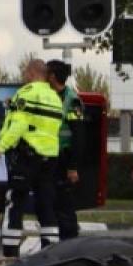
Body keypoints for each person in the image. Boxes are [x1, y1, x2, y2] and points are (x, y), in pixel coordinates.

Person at [0, 58, 63, 257]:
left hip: (27, 155)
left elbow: (18, 125)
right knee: (46, 204)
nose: (23, 76)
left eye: (24, 72)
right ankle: (50, 251)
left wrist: (0, 148)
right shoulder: (55, 97)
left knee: (15, 201)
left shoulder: (26, 93)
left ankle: (10, 251)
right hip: (50, 157)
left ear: (31, 73)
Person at [47, 60, 86, 241]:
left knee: (64, 202)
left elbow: (78, 135)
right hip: (50, 156)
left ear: (52, 76)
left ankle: (70, 239)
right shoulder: (48, 95)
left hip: (64, 158)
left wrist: (73, 167)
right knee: (52, 201)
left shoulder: (72, 100)